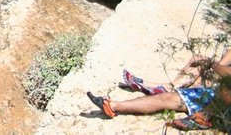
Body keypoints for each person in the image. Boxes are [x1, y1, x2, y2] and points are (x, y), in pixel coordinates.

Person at [87, 50, 231, 127]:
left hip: (225, 102)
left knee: (226, 87)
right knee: (165, 98)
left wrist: (211, 65)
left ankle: (205, 116)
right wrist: (212, 69)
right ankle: (112, 106)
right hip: (215, 92)